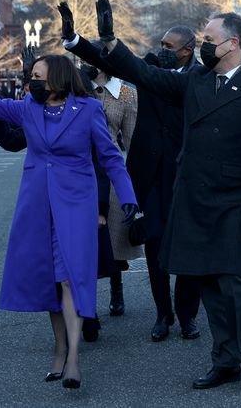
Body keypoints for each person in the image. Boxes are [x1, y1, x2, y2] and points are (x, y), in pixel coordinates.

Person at [62, 0, 241, 394]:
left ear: (233, 43)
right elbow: (142, 73)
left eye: (210, 39)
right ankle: (224, 361)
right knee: (208, 286)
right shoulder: (197, 81)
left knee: (235, 288)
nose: (205, 44)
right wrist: (100, 42)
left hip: (236, 203)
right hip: (194, 201)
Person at [0, 29, 138, 390]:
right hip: (36, 204)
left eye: (37, 77)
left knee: (72, 276)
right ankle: (58, 348)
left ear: (57, 79)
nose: (31, 82)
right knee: (50, 279)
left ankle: (72, 359)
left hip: (76, 204)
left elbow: (111, 157)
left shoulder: (87, 110)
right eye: (31, 77)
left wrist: (127, 196)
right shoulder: (28, 109)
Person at [70, 27, 203, 342]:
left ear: (188, 48)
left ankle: (187, 316)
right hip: (153, 175)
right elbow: (116, 64)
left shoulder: (202, 76)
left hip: (189, 177)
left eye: (169, 45)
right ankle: (163, 314)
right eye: (161, 44)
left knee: (188, 251)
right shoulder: (151, 73)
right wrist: (76, 42)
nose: (163, 49)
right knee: (156, 248)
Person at [82, 62, 139, 317]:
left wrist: (136, 181)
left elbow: (131, 139)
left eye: (89, 59)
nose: (84, 64)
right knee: (83, 241)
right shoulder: (78, 87)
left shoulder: (126, 92)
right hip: (81, 166)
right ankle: (84, 300)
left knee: (113, 237)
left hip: (111, 167)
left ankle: (117, 289)